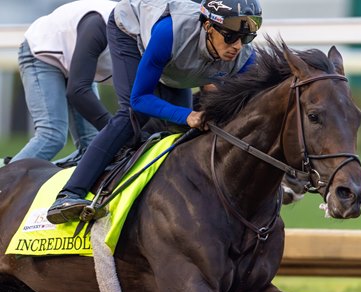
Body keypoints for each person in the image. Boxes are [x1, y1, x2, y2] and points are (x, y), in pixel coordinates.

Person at [46, 0, 263, 224]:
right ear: (208, 26)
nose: (237, 46)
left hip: (177, 55)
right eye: (230, 36)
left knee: (180, 132)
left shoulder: (246, 58)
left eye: (246, 38)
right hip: (131, 29)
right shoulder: (167, 33)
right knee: (131, 116)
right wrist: (188, 115)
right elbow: (140, 99)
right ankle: (69, 193)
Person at [10, 0, 117, 164]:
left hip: (75, 56)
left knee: (92, 145)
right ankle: (5, 184)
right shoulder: (102, 23)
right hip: (42, 51)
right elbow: (78, 91)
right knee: (51, 136)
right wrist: (114, 132)